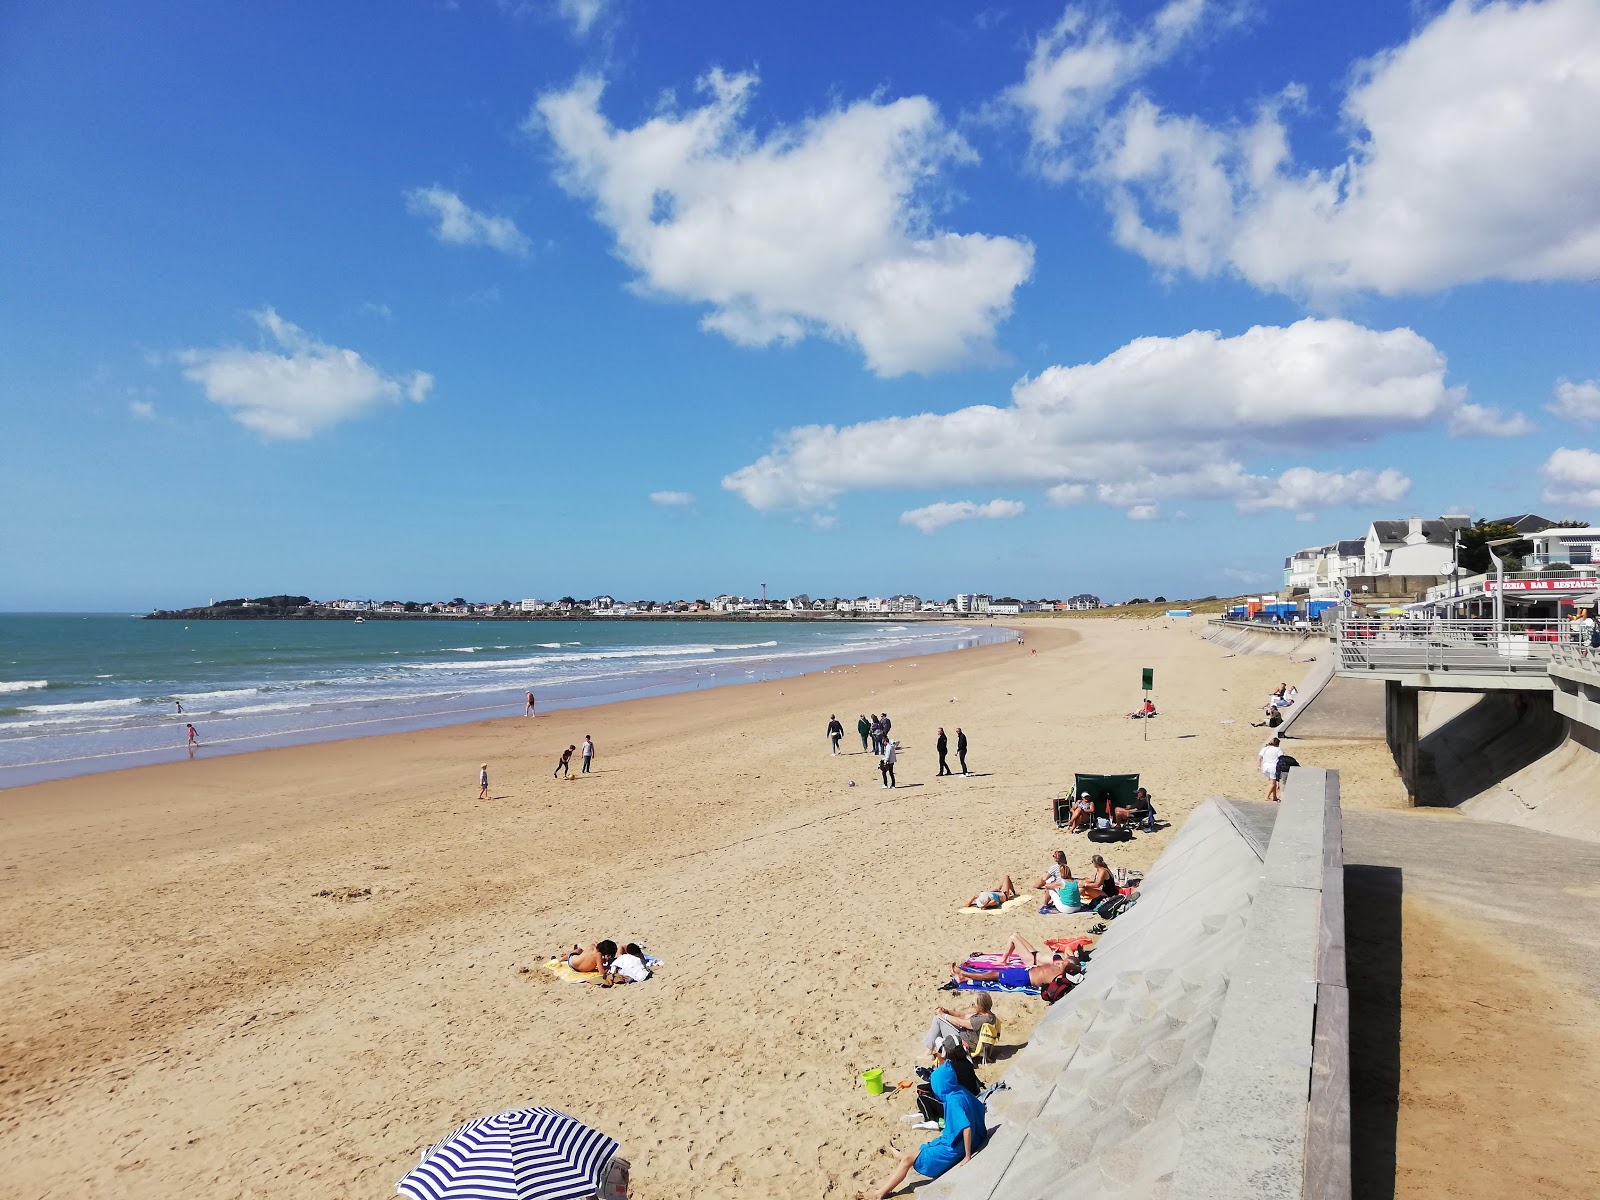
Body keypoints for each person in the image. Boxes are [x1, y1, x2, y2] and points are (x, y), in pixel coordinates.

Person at [858, 1040, 987, 1198]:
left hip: (955, 1149)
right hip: (968, 1139)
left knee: (908, 1161)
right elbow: (980, 1109)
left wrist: (967, 1156)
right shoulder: (960, 1091)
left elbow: (966, 1127)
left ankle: (880, 1193)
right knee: (924, 1148)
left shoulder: (953, 1102)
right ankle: (902, 1156)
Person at [913, 1036, 982, 1127]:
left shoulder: (949, 1069)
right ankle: (929, 1112)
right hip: (972, 1098)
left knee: (922, 1097)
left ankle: (930, 1119)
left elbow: (938, 1087)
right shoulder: (967, 1061)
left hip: (959, 1106)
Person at [921, 993, 997, 1056]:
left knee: (938, 1019)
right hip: (967, 1037)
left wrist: (943, 1015)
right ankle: (930, 1047)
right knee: (941, 1020)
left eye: (974, 1004)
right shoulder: (989, 1016)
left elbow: (960, 1022)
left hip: (964, 1043)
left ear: (980, 1007)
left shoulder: (979, 1020)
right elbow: (963, 1016)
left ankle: (929, 1050)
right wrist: (947, 1012)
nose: (972, 1005)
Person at [1259, 737, 1283, 801]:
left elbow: (1259, 758)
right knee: (1273, 783)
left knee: (1273, 782)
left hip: (1265, 766)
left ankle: (1274, 796)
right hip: (1273, 767)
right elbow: (1281, 758)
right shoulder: (1278, 749)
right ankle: (1267, 796)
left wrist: (1258, 766)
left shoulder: (1265, 748)